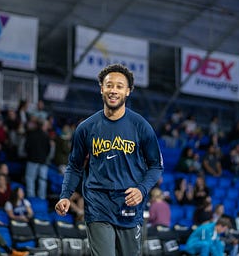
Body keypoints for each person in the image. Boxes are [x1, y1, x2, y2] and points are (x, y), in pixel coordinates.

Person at [54, 64, 163, 256]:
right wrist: (65, 195)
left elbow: (156, 166)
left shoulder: (141, 126)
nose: (113, 90)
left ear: (128, 91)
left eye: (119, 86)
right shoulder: (86, 128)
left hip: (129, 205)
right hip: (98, 205)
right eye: (109, 85)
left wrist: (142, 189)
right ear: (101, 88)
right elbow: (75, 166)